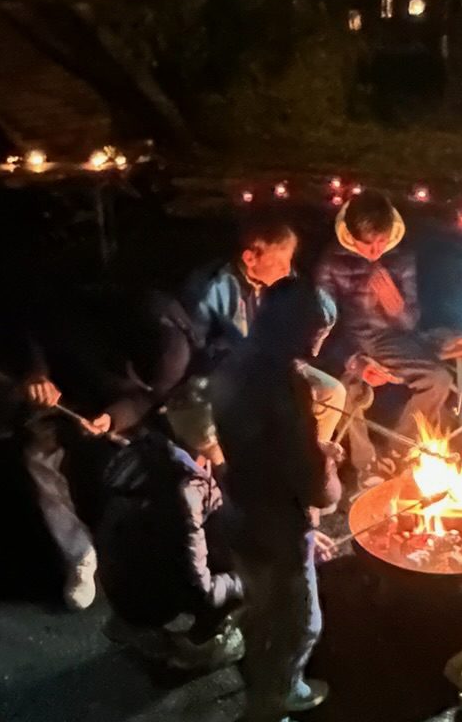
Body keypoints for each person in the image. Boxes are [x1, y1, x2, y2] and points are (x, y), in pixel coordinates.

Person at [211, 279, 342, 722]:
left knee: (262, 607)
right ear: (298, 328)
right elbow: (311, 482)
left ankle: (257, 682)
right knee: (300, 622)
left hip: (239, 506)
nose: (321, 342)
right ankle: (279, 697)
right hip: (279, 524)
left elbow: (258, 443)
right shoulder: (288, 386)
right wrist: (327, 467)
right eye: (319, 331)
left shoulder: (235, 362)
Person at [20, 289, 198, 610]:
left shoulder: (176, 350)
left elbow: (148, 399)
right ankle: (79, 553)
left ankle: (164, 551)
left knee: (167, 460)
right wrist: (38, 374)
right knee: (38, 456)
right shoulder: (89, 318)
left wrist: (112, 417)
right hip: (69, 393)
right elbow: (33, 327)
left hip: (121, 406)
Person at [315, 192, 451, 474]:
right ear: (351, 236)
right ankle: (367, 467)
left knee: (438, 379)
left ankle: (395, 456)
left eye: (382, 241)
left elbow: (410, 323)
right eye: (368, 244)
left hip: (389, 341)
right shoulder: (331, 262)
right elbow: (322, 327)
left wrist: (397, 308)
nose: (376, 251)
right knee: (346, 391)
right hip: (349, 342)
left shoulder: (401, 257)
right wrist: (355, 361)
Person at [182, 218, 347, 442]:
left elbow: (324, 313)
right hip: (228, 374)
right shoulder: (215, 289)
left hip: (271, 367)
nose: (287, 270)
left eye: (289, 262)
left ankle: (314, 455)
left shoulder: (282, 281)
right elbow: (199, 349)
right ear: (250, 258)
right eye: (279, 263)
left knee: (331, 392)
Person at [93, 432, 244, 671]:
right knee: (248, 571)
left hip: (117, 575)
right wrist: (241, 582)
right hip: (144, 593)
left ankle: (127, 621)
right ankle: (197, 648)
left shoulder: (148, 453)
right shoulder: (185, 497)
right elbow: (200, 587)